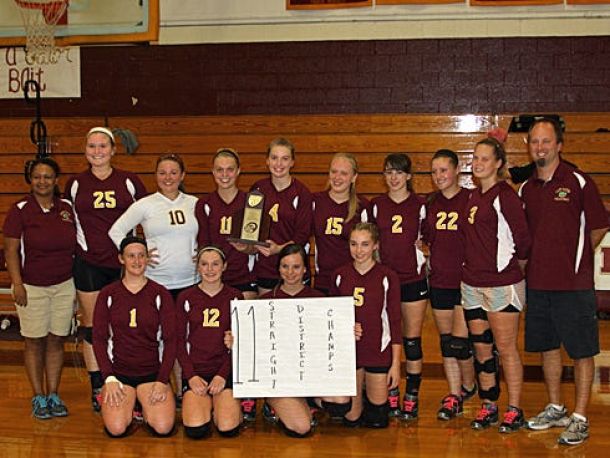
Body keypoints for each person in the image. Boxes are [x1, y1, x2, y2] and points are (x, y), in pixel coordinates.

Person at [519, 117, 608, 445]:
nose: (540, 147)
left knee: (582, 351)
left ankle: (580, 417)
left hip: (574, 286)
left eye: (546, 141)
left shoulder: (579, 181)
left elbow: (599, 227)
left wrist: (575, 260)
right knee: (547, 348)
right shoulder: (525, 188)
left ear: (559, 145)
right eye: (534, 141)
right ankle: (556, 408)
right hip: (538, 284)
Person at [64, 127, 147, 411]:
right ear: (85, 150)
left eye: (103, 146)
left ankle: (127, 381)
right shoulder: (75, 184)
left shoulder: (129, 181)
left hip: (125, 266)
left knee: (126, 325)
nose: (97, 151)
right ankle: (98, 384)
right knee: (92, 326)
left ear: (113, 150)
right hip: (89, 263)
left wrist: (147, 251)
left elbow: (147, 218)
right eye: (92, 146)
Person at [108, 153, 199, 404]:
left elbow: (208, 234)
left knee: (184, 339)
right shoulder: (145, 205)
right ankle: (158, 387)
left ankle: (183, 392)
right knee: (158, 339)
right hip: (157, 283)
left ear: (182, 175)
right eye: (162, 173)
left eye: (173, 172)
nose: (168, 177)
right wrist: (139, 253)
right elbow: (116, 230)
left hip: (189, 282)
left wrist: (202, 251)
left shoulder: (195, 203)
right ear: (156, 176)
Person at [461, 136, 531, 433]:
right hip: (472, 284)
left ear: (498, 163)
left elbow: (523, 241)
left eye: (485, 158)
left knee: (506, 348)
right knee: (481, 349)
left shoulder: (506, 196)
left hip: (501, 284)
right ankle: (489, 404)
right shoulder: (473, 196)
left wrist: (511, 270)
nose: (478, 163)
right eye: (475, 158)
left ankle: (514, 409)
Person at [3, 157, 76, 420]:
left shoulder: (67, 208)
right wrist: (17, 284)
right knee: (34, 341)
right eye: (37, 177)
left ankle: (53, 394)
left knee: (56, 339)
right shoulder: (20, 209)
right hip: (31, 287)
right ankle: (38, 396)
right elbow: (11, 251)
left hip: (64, 285)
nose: (42, 181)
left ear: (56, 180)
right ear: (30, 180)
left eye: (47, 177)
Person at [92, 236, 176, 438]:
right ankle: (132, 405)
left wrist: (162, 380)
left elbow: (171, 340)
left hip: (151, 373)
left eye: (141, 256)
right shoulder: (108, 294)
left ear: (147, 258)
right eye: (131, 256)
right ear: (121, 259)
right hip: (119, 375)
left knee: (163, 427)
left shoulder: (160, 293)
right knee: (116, 428)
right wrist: (109, 378)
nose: (137, 261)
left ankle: (143, 407)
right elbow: (99, 339)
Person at [370, 153, 428, 420]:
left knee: (411, 341)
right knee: (387, 339)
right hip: (385, 283)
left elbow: (433, 236)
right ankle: (391, 390)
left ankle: (412, 395)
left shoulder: (420, 204)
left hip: (413, 280)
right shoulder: (376, 205)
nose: (393, 177)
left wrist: (426, 249)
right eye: (389, 172)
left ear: (408, 176)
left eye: (398, 172)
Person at [330, 223, 401, 428]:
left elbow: (395, 322)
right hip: (350, 352)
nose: (358, 250)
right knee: (351, 418)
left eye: (365, 244)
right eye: (353, 244)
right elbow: (331, 316)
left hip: (377, 350)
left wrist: (395, 365)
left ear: (375, 245)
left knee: (377, 419)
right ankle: (357, 395)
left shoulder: (387, 276)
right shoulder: (339, 275)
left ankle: (368, 393)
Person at [425, 149, 476, 420]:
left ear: (457, 170)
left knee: (460, 342)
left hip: (465, 281)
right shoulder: (430, 203)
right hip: (440, 281)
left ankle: (469, 384)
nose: (439, 176)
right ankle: (455, 394)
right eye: (434, 171)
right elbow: (425, 238)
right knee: (447, 343)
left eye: (443, 170)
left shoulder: (470, 199)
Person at [176, 246, 243, 439]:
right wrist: (191, 376)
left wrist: (222, 375)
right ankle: (207, 406)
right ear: (197, 267)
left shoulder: (235, 297)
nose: (210, 269)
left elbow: (239, 343)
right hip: (197, 373)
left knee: (227, 428)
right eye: (204, 264)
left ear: (224, 266)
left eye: (215, 264)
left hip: (224, 372)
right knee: (195, 430)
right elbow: (179, 342)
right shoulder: (186, 297)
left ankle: (225, 407)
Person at [258, 243, 323, 437]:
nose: (290, 272)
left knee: (342, 402)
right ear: (278, 269)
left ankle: (305, 402)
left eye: (296, 267)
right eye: (285, 266)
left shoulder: (320, 300)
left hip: (309, 374)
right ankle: (274, 404)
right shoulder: (265, 301)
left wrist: (348, 331)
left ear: (305, 269)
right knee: (302, 428)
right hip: (279, 379)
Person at [249, 137, 313, 296]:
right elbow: (250, 226)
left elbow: (302, 235)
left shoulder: (302, 193)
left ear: (292, 162)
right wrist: (249, 245)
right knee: (268, 310)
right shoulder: (258, 189)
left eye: (285, 158)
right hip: (266, 267)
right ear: (267, 161)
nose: (279, 164)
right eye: (274, 158)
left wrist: (279, 249)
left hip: (294, 269)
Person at [196, 148, 257, 299]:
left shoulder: (251, 202)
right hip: (214, 278)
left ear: (238, 171)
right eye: (219, 170)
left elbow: (255, 247)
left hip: (244, 278)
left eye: (230, 169)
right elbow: (204, 245)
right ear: (213, 172)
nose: (224, 175)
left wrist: (245, 248)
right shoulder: (204, 204)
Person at [312, 153, 370, 294]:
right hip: (323, 280)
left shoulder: (362, 206)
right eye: (334, 172)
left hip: (352, 281)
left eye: (344, 173)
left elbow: (373, 245)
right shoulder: (315, 202)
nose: (337, 177)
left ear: (354, 177)